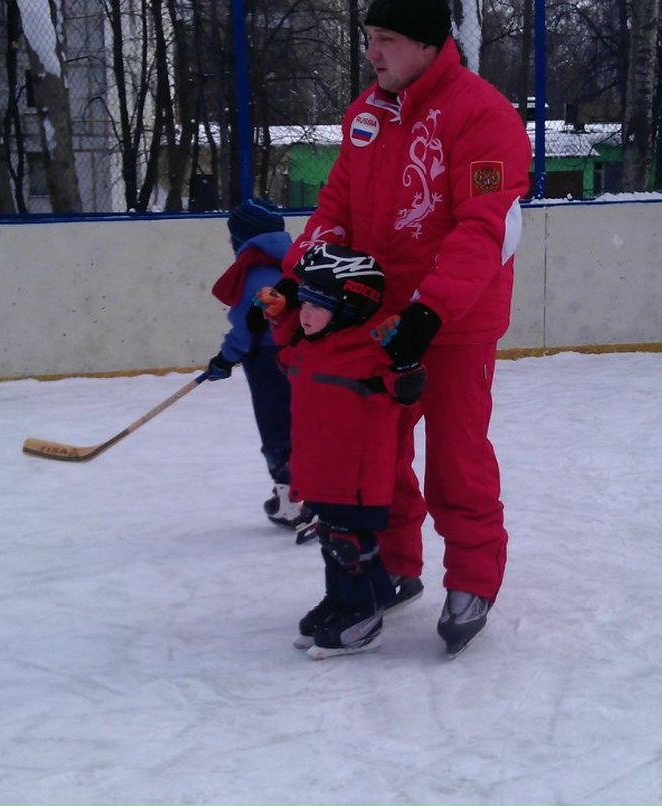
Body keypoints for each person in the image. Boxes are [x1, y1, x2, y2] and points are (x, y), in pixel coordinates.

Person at [276, 0, 531, 656]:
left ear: (427, 42)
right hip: (374, 320)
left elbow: (483, 228)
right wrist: (300, 278)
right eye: (369, 39)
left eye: (386, 39)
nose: (373, 52)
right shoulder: (366, 115)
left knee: (456, 457)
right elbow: (336, 207)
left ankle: (473, 577)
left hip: (453, 322)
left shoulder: (483, 116)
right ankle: (394, 564)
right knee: (374, 455)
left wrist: (429, 312)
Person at [275, 243, 426, 659]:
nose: (304, 313)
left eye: (317, 305)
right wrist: (275, 318)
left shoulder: (371, 351)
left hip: (357, 475)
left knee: (349, 544)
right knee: (331, 538)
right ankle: (342, 602)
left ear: (349, 308)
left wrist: (405, 362)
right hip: (322, 471)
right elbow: (286, 361)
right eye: (303, 302)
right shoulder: (311, 345)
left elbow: (406, 392)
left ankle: (363, 616)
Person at [199, 198, 310, 532]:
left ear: (243, 238)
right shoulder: (289, 262)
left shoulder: (255, 271)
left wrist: (224, 358)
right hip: (299, 358)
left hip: (266, 360)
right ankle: (312, 495)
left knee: (276, 428)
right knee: (302, 424)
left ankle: (291, 501)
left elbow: (249, 327)